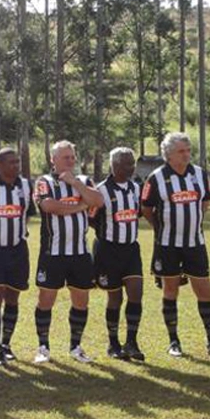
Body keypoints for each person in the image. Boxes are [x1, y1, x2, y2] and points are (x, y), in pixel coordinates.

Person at [141, 132, 210, 359]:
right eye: (181, 151)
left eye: (188, 150)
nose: (187, 154)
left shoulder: (199, 174)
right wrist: (161, 228)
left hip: (195, 244)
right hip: (168, 245)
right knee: (170, 290)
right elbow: (146, 209)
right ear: (169, 154)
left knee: (204, 290)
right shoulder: (156, 178)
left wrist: (192, 223)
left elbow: (205, 202)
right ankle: (174, 341)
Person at [33, 140, 104, 364]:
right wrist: (80, 206)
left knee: (81, 299)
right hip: (52, 253)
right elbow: (49, 207)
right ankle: (43, 347)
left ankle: (76, 346)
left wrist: (76, 183)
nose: (70, 161)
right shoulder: (44, 181)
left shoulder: (83, 180)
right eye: (65, 157)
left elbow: (98, 201)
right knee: (46, 299)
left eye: (72, 157)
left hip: (80, 253)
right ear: (53, 160)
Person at [0, 148, 36, 365]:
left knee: (13, 297)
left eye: (17, 162)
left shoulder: (26, 185)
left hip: (18, 250)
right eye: (11, 162)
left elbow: (28, 214)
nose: (16, 166)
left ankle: (6, 344)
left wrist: (17, 232)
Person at [92, 148, 145, 361]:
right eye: (126, 164)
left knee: (136, 294)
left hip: (131, 249)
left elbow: (138, 213)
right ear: (114, 166)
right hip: (108, 250)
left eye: (132, 163)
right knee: (115, 297)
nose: (131, 168)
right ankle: (113, 343)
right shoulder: (101, 191)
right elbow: (91, 218)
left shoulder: (135, 188)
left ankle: (131, 342)